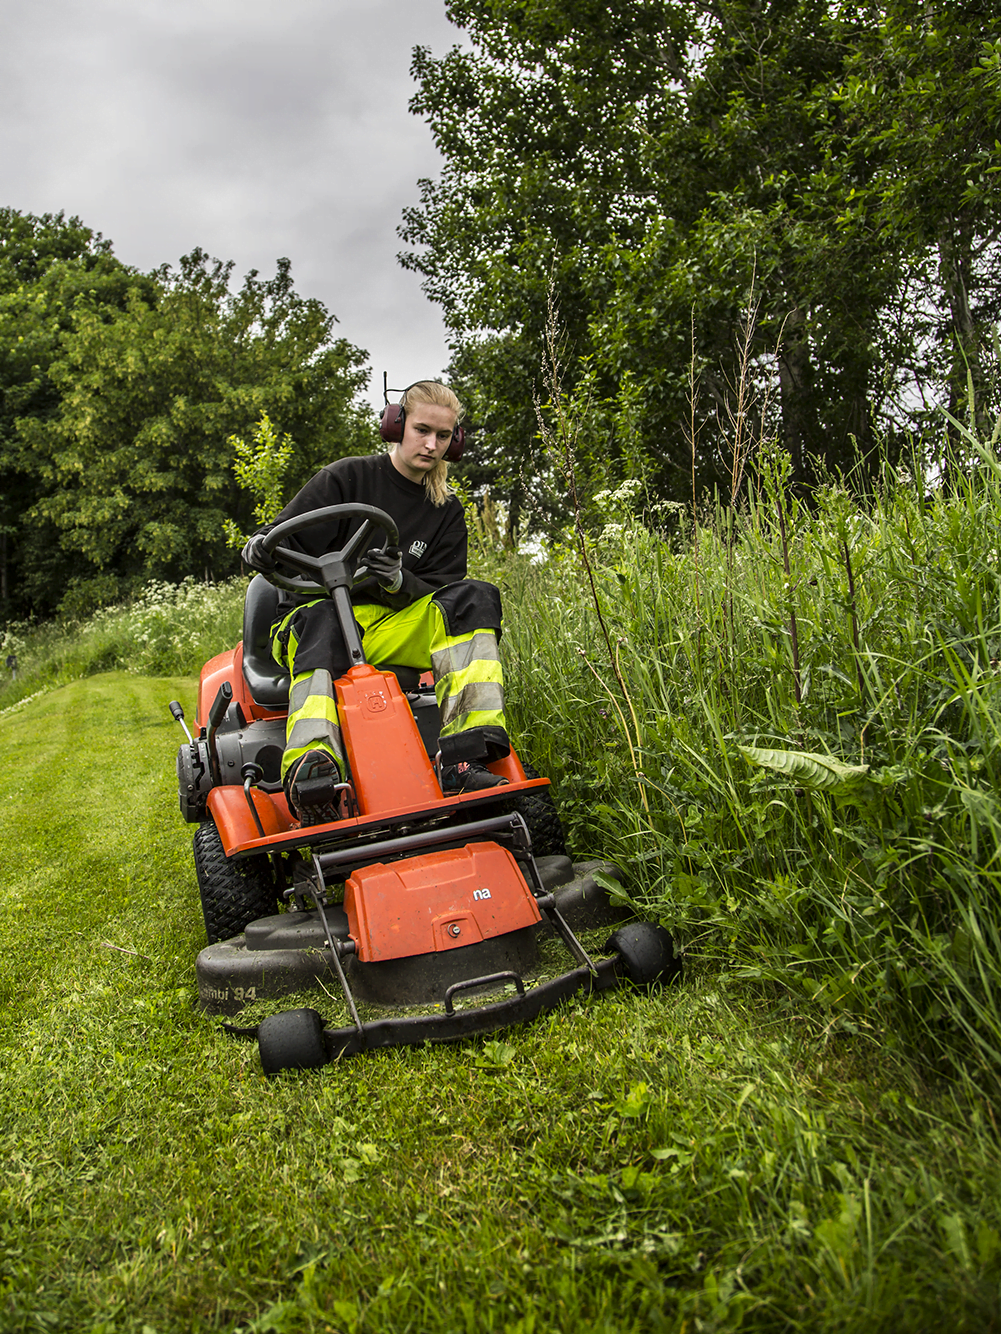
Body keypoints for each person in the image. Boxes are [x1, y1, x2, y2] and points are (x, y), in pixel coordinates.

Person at [241, 381, 510, 824]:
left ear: (455, 441)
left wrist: (400, 581)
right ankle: (312, 769)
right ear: (395, 425)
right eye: (422, 430)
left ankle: (467, 758)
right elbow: (278, 535)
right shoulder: (347, 478)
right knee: (325, 616)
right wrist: (257, 545)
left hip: (387, 628)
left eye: (443, 436)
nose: (431, 444)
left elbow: (441, 593)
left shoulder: (445, 511)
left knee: (473, 598)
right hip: (310, 623)